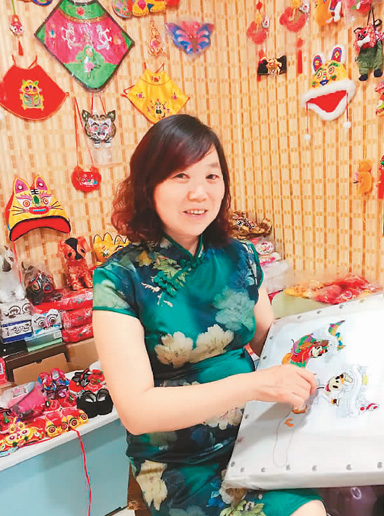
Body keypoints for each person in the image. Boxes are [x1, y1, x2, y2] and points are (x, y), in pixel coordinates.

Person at [92, 114, 326, 516]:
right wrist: (251, 385)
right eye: (180, 176)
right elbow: (137, 411)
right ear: (148, 186)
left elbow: (270, 342)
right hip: (179, 463)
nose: (199, 193)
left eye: (211, 176)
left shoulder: (240, 256)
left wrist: (337, 340)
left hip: (255, 435)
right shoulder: (119, 279)